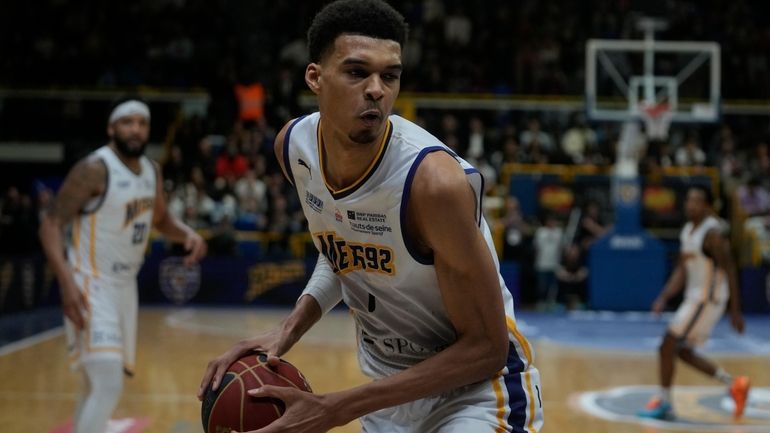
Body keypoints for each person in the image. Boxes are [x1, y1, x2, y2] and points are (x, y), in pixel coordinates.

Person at [197, 1, 543, 432]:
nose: (377, 89)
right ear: (315, 78)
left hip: (476, 391)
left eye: (390, 75)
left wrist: (336, 407)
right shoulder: (294, 148)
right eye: (357, 72)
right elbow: (340, 247)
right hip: (390, 389)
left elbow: (487, 348)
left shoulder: (433, 184)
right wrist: (287, 331)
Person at [39, 98, 207, 433]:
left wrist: (187, 234)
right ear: (111, 128)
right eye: (127, 122)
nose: (136, 129)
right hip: (90, 282)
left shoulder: (151, 171)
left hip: (124, 287)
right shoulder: (94, 168)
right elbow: (50, 224)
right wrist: (67, 283)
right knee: (108, 381)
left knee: (93, 383)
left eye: (142, 123)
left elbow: (160, 218)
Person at [638, 186, 749, 420]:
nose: (691, 205)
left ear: (708, 206)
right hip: (695, 298)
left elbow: (730, 270)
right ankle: (734, 385)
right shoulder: (688, 231)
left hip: (707, 299)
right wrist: (664, 297)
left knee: (667, 344)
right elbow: (681, 270)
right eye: (688, 200)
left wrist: (736, 311)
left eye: (697, 201)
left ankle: (665, 402)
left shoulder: (713, 234)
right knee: (682, 351)